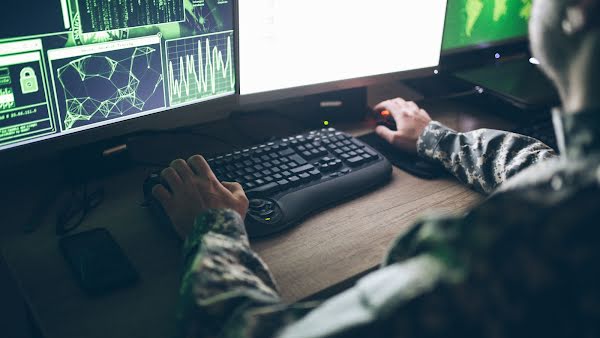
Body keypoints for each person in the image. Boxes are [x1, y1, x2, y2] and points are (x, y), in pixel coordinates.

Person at [152, 0, 600, 336]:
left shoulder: (513, 253)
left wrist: (212, 228)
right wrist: (434, 138)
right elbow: (549, 169)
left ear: (573, 14)